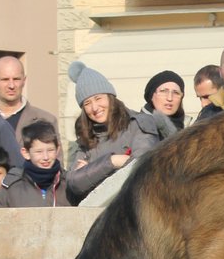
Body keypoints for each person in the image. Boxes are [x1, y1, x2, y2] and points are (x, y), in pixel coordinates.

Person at [63, 61, 162, 206]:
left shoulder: (139, 124)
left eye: (98, 99)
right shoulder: (85, 138)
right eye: (87, 103)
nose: (95, 107)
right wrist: (113, 161)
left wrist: (90, 171)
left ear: (110, 97)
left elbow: (141, 168)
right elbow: (74, 184)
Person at [0, 55, 57, 147]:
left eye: (16, 79)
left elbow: (56, 159)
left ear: (24, 81)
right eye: (5, 79)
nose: (11, 85)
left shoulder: (46, 120)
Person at [19, 121, 68, 206]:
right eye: (39, 152)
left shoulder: (68, 183)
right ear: (26, 153)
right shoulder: (13, 185)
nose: (45, 157)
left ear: (57, 150)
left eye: (50, 150)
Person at [141, 70, 187, 137]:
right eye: (163, 91)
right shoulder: (138, 129)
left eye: (176, 93)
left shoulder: (188, 127)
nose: (170, 98)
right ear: (151, 96)